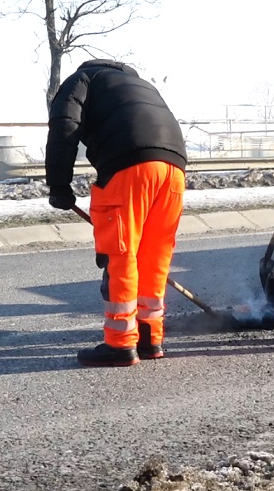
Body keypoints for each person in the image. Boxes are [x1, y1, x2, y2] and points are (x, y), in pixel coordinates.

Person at [45, 59, 187, 367]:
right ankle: (150, 338)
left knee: (121, 254)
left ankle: (120, 344)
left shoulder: (82, 79)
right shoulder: (141, 85)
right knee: (154, 256)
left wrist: (58, 185)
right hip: (174, 168)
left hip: (130, 166)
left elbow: (64, 125)